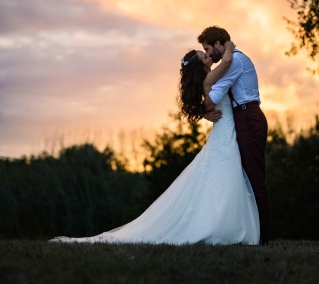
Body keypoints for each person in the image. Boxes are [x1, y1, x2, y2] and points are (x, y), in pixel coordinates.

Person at [50, 41, 259, 245]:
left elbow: (201, 105)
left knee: (219, 177)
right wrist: (229, 46)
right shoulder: (211, 77)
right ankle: (219, 226)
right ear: (200, 65)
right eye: (204, 55)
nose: (208, 56)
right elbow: (227, 61)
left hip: (225, 130)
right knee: (223, 176)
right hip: (225, 132)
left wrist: (206, 114)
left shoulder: (205, 80)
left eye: (206, 52)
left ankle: (219, 222)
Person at [198, 26, 269, 246]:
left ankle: (263, 236)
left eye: (208, 49)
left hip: (248, 118)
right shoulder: (229, 61)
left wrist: (202, 105)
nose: (209, 54)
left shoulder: (234, 62)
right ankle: (253, 231)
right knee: (246, 176)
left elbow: (215, 94)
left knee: (254, 176)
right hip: (244, 118)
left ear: (219, 44)